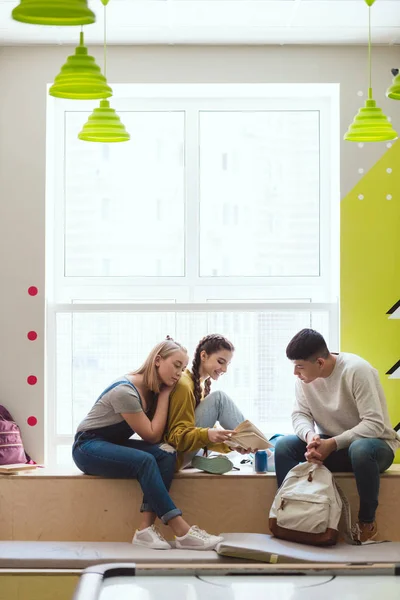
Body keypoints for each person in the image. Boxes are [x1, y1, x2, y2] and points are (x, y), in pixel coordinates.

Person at [72, 337, 224, 551]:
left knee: (167, 453)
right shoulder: (126, 392)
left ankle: (145, 530)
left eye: (182, 369)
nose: (179, 374)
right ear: (158, 360)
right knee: (145, 460)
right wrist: (164, 394)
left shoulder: (152, 389)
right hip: (87, 447)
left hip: (112, 443)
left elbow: (161, 439)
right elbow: (151, 435)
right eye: (176, 366)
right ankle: (181, 530)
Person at [274, 328, 400, 543]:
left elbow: (375, 424)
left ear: (320, 363)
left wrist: (332, 443)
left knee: (360, 449)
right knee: (284, 446)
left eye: (299, 367)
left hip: (375, 448)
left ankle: (367, 522)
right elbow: (300, 415)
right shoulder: (303, 380)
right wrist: (311, 437)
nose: (296, 373)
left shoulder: (357, 370)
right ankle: (291, 513)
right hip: (335, 446)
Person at [164, 334, 251, 474]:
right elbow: (175, 436)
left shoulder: (201, 385)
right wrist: (207, 435)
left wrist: (231, 445)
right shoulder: (184, 385)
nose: (224, 369)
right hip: (176, 456)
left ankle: (200, 458)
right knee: (219, 399)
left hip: (189, 452)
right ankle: (263, 452)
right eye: (220, 361)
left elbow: (204, 432)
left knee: (227, 442)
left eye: (227, 364)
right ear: (203, 356)